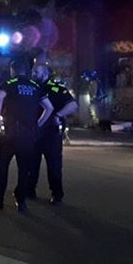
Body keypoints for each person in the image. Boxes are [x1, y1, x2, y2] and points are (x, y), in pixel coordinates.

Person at [0, 58, 53, 212]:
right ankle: (21, 202)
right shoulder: (35, 86)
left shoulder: (9, 83)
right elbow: (49, 108)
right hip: (28, 135)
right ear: (26, 71)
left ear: (12, 70)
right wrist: (39, 124)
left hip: (10, 132)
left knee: (2, 167)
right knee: (24, 169)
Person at [29, 64, 78, 205]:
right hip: (34, 132)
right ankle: (29, 190)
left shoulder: (56, 88)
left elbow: (73, 105)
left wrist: (58, 114)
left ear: (45, 73)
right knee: (31, 164)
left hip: (51, 133)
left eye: (36, 71)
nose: (33, 74)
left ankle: (57, 195)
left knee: (54, 166)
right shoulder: (32, 87)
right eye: (33, 71)